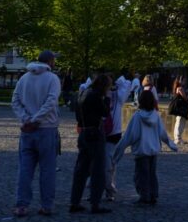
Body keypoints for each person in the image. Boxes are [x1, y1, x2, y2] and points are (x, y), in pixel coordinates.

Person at [10, 51, 61, 217]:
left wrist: (26, 119)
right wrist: (36, 119)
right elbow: (51, 102)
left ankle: (21, 205)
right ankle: (47, 205)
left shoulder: (24, 78)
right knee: (47, 170)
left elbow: (15, 100)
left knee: (25, 169)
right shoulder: (52, 79)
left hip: (27, 130)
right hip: (46, 128)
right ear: (50, 61)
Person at [112, 90, 177, 205]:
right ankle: (153, 195)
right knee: (152, 174)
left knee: (141, 175)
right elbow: (162, 133)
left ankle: (144, 196)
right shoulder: (155, 116)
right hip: (153, 150)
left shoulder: (137, 116)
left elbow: (130, 135)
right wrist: (171, 144)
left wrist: (119, 150)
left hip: (142, 150)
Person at [70, 74, 112, 214]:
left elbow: (76, 114)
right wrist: (107, 99)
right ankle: (95, 203)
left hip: (83, 132)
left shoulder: (82, 94)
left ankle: (74, 201)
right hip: (95, 132)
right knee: (98, 170)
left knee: (81, 169)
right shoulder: (96, 96)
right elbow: (105, 112)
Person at [104, 72, 134, 202]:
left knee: (110, 163)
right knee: (101, 163)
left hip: (113, 133)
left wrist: (117, 82)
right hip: (100, 132)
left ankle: (109, 188)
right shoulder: (97, 95)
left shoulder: (118, 96)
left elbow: (128, 84)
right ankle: (103, 187)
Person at [171, 77, 188, 145]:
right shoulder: (180, 88)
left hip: (180, 107)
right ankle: (178, 138)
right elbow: (185, 98)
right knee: (180, 122)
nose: (185, 82)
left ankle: (178, 138)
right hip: (181, 108)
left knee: (179, 122)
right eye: (184, 80)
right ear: (180, 81)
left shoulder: (178, 87)